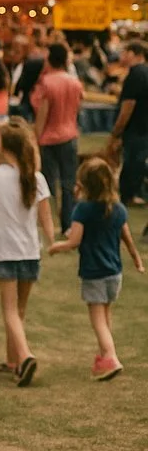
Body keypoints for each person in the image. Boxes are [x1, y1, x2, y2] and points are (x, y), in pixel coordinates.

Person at [0, 119, 53, 387]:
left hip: (4, 252)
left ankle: (26, 355)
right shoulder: (36, 177)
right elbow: (46, 218)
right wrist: (52, 242)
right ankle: (13, 361)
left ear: (5, 146)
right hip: (31, 252)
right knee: (20, 310)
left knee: (9, 310)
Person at [48, 157, 144, 381]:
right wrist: (137, 260)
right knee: (106, 314)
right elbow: (127, 238)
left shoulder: (83, 209)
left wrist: (57, 247)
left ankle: (111, 357)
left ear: (84, 185)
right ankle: (104, 356)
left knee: (97, 319)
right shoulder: (118, 209)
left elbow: (74, 241)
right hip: (114, 273)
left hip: (94, 273)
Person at [32, 41, 84, 231]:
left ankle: (49, 220)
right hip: (69, 135)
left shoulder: (47, 82)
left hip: (49, 137)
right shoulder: (75, 83)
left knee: (48, 183)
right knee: (69, 183)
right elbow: (77, 110)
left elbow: (42, 114)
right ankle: (68, 224)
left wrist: (35, 137)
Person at [110, 40, 148, 210]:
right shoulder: (145, 72)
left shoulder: (135, 75)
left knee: (132, 164)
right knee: (138, 163)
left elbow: (128, 107)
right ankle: (134, 194)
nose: (122, 56)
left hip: (135, 130)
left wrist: (116, 132)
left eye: (125, 52)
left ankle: (126, 197)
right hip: (144, 128)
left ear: (134, 53)